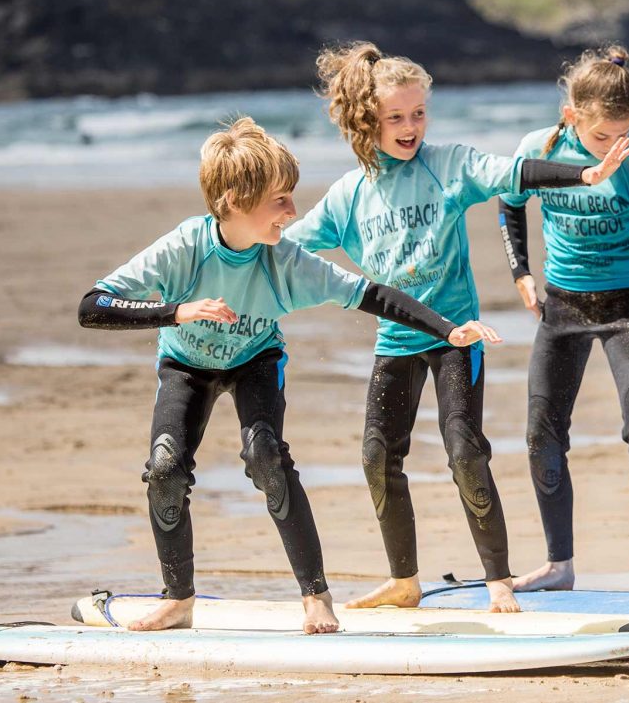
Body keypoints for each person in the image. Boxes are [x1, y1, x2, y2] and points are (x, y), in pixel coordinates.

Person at [77, 118, 499, 633]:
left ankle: (316, 597)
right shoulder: (185, 248)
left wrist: (449, 330)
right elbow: (92, 306)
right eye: (279, 199)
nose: (293, 212)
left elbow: (375, 295)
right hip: (186, 365)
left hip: (257, 359)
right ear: (233, 199)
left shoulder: (286, 261)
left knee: (266, 457)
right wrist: (176, 312)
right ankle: (178, 599)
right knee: (165, 468)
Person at [285, 42, 629, 613]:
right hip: (396, 340)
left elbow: (512, 172)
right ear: (368, 119)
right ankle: (404, 581)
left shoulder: (448, 166)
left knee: (464, 451)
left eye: (418, 113)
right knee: (377, 456)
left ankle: (498, 581)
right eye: (395, 116)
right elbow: (284, 247)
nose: (409, 126)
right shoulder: (348, 197)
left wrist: (585, 173)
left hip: (459, 337)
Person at [498, 45, 629, 597]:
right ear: (571, 118)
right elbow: (510, 201)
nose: (616, 148)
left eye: (624, 134)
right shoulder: (539, 149)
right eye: (602, 137)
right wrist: (521, 272)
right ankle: (559, 565)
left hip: (624, 310)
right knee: (541, 434)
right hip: (560, 309)